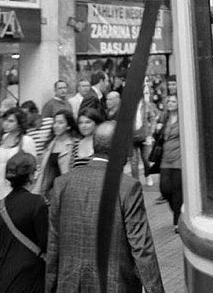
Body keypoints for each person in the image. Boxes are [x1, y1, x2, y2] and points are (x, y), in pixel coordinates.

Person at [46, 121, 164, 293]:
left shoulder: (62, 183)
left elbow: (53, 244)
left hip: (70, 285)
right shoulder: (127, 187)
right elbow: (141, 248)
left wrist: (50, 287)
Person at [0, 152, 48, 293]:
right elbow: (45, 242)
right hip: (29, 277)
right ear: (31, 176)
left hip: (0, 277)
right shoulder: (37, 203)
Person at [33, 110, 79, 202]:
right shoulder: (50, 145)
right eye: (55, 122)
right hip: (48, 191)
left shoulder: (74, 144)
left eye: (60, 123)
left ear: (68, 126)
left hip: (65, 191)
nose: (56, 126)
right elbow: (42, 171)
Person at [157, 94, 182, 230]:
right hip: (165, 158)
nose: (170, 103)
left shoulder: (182, 118)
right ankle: (179, 213)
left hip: (179, 158)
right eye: (169, 101)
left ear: (179, 104)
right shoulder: (164, 118)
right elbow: (159, 137)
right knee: (165, 189)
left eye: (173, 101)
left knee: (177, 190)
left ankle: (178, 221)